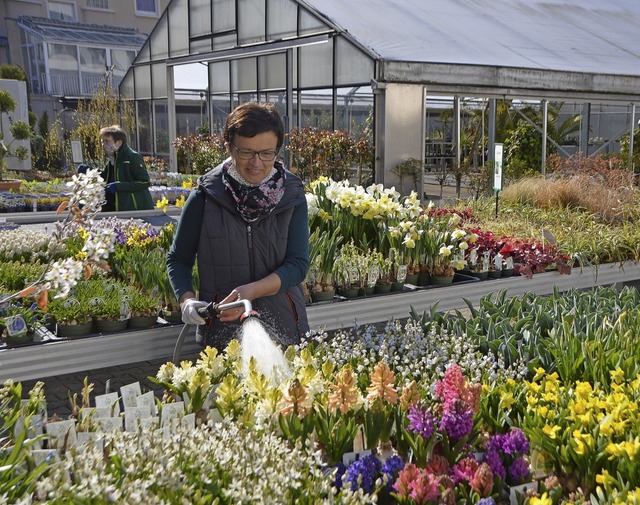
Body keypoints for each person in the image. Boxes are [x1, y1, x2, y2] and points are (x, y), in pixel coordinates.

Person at [166, 102, 310, 350]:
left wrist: (251, 292)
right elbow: (178, 258)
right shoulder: (205, 197)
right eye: (246, 152)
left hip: (285, 324)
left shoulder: (291, 195)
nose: (256, 163)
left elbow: (298, 265)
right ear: (229, 148)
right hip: (222, 324)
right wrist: (186, 300)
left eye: (267, 153)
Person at [98, 125, 154, 212]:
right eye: (102, 141)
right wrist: (88, 172)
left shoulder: (132, 157)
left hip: (134, 208)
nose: (103, 145)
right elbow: (104, 177)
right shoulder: (113, 159)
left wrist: (118, 186)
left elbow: (144, 182)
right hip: (116, 207)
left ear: (119, 143)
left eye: (107, 141)